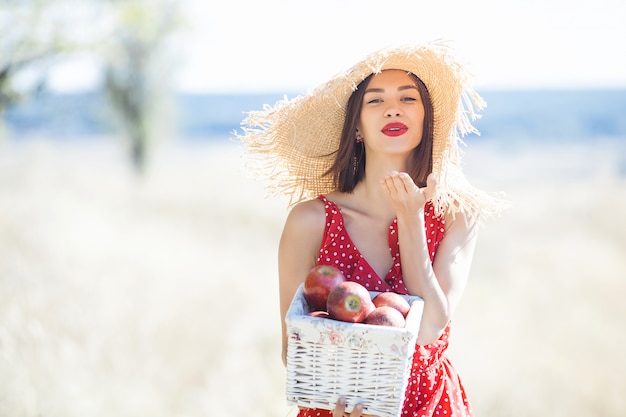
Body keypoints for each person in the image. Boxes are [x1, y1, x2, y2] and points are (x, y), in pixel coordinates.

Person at [239, 41, 506, 417]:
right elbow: (294, 347)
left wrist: (410, 217)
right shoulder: (312, 220)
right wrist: (340, 395)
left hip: (428, 405)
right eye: (375, 100)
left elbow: (429, 327)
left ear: (426, 119)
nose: (393, 108)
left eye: (408, 98)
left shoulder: (455, 215)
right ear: (358, 127)